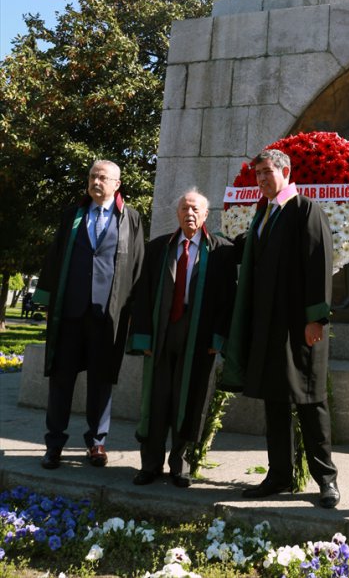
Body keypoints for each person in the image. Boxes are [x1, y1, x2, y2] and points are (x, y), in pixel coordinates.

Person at [222, 148, 340, 508]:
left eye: (266, 173)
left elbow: (318, 262)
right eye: (257, 174)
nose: (260, 180)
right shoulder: (264, 214)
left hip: (298, 326)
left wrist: (316, 318)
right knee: (274, 399)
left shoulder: (306, 208)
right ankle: (279, 475)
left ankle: (326, 480)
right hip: (268, 326)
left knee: (309, 400)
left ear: (285, 172)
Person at [33, 160, 144, 470]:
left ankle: (97, 442)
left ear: (117, 184)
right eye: (93, 176)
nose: (96, 181)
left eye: (103, 177)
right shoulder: (73, 215)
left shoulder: (131, 219)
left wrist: (133, 310)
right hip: (70, 312)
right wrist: (45, 299)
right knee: (61, 379)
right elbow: (55, 257)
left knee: (101, 380)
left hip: (107, 316)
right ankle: (54, 443)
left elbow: (137, 266)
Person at [128, 189, 237, 488]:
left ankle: (181, 465)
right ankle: (149, 465)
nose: (190, 214)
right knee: (157, 399)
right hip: (163, 333)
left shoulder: (221, 253)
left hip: (199, 337)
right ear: (177, 213)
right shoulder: (158, 248)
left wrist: (219, 338)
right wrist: (142, 338)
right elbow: (143, 296)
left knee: (190, 400)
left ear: (205, 215)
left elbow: (228, 301)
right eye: (185, 208)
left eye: (195, 210)